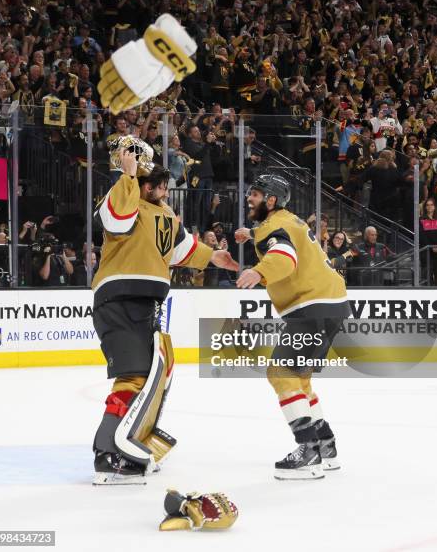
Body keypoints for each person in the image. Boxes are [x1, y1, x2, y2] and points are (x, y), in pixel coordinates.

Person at [91, 139, 238, 485]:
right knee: (134, 378)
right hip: (119, 299)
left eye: (163, 185)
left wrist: (213, 257)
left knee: (153, 377)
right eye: (153, 184)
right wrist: (127, 176)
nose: (161, 189)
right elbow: (116, 221)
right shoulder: (120, 197)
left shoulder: (167, 215)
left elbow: (180, 250)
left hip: (148, 304)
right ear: (140, 183)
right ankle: (107, 451)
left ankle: (129, 440)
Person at [235, 174, 350, 480]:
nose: (250, 198)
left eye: (256, 195)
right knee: (300, 380)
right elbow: (284, 238)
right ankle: (326, 448)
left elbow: (284, 257)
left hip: (311, 305)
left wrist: (258, 272)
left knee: (281, 372)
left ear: (271, 201)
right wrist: (254, 232)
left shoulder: (273, 227)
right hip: (332, 303)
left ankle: (308, 451)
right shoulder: (290, 219)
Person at [419, 198, 437, 286]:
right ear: (425, 207)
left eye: (431, 205)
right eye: (427, 205)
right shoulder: (421, 219)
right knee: (427, 274)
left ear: (434, 206)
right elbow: (422, 236)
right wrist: (431, 247)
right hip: (426, 252)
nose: (430, 207)